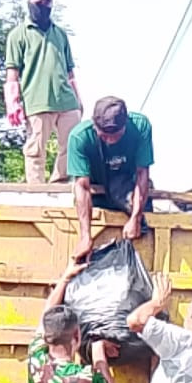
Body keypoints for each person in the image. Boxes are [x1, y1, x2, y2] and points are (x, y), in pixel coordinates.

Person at [5, 0, 83, 185]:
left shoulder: (60, 34)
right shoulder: (18, 35)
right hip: (37, 100)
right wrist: (12, 103)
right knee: (35, 150)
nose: (43, 5)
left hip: (66, 100)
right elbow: (12, 73)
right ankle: (37, 191)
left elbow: (70, 72)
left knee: (72, 145)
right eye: (38, 2)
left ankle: (60, 183)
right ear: (30, 4)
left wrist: (79, 100)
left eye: (46, 1)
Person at [66, 96, 155, 261]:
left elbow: (143, 173)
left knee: (144, 222)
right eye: (104, 135)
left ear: (125, 125)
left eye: (116, 135)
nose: (110, 140)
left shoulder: (140, 127)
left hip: (127, 187)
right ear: (94, 125)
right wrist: (85, 235)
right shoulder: (79, 138)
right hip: (96, 190)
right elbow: (82, 186)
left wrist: (136, 217)